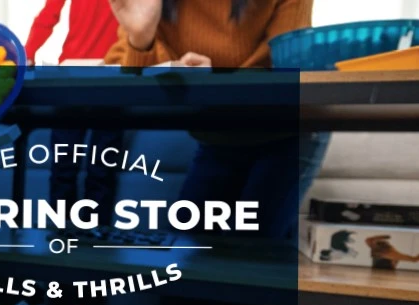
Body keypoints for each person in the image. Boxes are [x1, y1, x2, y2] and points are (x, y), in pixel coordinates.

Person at [105, 0, 330, 239]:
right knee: (187, 247)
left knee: (253, 248)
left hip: (286, 131)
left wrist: (209, 83)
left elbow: (285, 64)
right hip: (218, 133)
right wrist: (141, 38)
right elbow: (122, 71)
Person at [25, 0, 123, 226]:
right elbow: (49, 15)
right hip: (80, 76)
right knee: (73, 168)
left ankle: (91, 240)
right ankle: (66, 237)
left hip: (109, 76)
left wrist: (28, 53)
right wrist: (27, 54)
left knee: (93, 170)